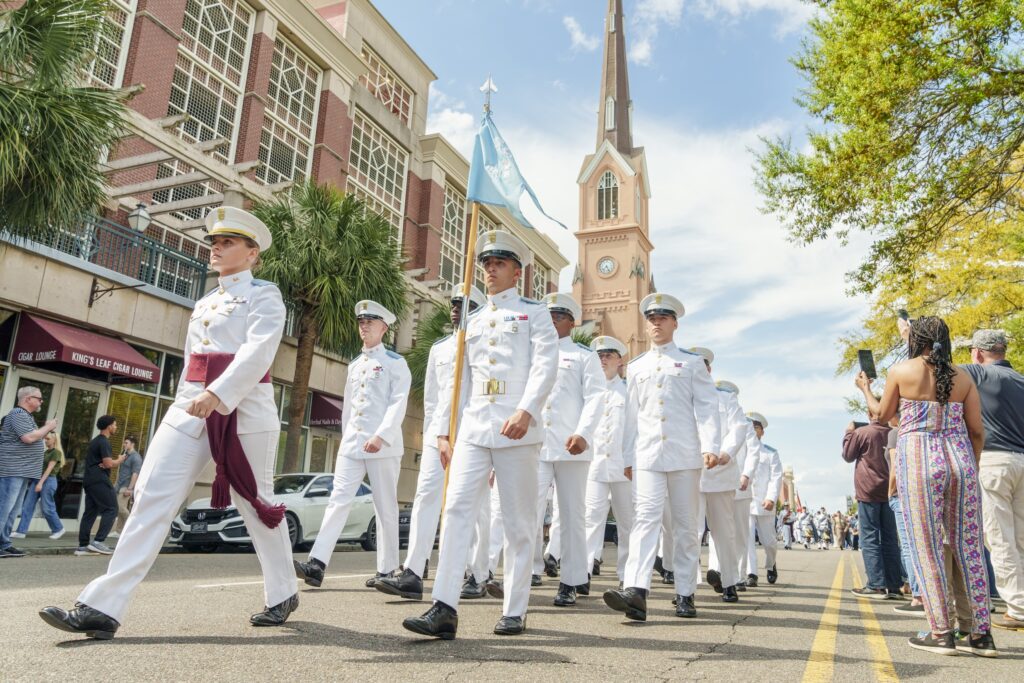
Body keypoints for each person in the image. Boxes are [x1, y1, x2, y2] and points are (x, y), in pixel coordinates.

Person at [40, 206, 298, 639]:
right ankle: (102, 606)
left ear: (253, 254)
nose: (216, 248)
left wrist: (220, 393)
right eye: (214, 242)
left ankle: (283, 591)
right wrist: (192, 400)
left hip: (244, 412)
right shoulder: (205, 302)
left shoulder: (264, 295)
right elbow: (192, 363)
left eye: (228, 242)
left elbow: (260, 352)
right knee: (151, 498)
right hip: (189, 408)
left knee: (256, 506)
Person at [402, 229, 558, 639]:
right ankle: (444, 606)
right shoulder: (471, 321)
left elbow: (545, 366)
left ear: (516, 272)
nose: (490, 269)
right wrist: (442, 432)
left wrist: (527, 411)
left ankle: (514, 609)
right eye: (486, 263)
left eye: (499, 263)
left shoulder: (534, 314)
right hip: (472, 428)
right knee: (454, 513)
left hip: (516, 430)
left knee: (519, 523)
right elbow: (459, 384)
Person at [858, 315, 996, 656]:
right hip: (961, 461)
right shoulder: (963, 377)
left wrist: (865, 389)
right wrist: (971, 463)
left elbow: (880, 415)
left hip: (919, 461)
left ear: (915, 339)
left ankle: (940, 632)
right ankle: (980, 634)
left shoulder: (902, 372)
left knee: (927, 546)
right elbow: (977, 431)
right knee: (968, 547)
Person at [602, 293, 721, 621]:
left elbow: (708, 407)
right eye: (652, 318)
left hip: (684, 456)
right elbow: (631, 416)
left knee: (684, 526)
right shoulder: (638, 367)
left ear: (674, 323)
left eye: (663, 318)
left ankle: (685, 592)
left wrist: (711, 445)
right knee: (645, 520)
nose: (656, 323)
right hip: (648, 455)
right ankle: (637, 591)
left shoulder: (691, 363)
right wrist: (628, 455)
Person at [375, 284, 485, 601]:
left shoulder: (482, 347)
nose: (454, 308)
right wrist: (435, 435)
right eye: (453, 302)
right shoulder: (440, 349)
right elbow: (433, 399)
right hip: (439, 438)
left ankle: (478, 574)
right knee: (425, 499)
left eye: (463, 303)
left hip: (472, 437)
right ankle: (412, 572)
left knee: (473, 510)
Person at [296, 300, 411, 590]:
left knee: (384, 506)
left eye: (370, 322)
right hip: (353, 445)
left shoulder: (396, 364)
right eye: (361, 322)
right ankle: (317, 564)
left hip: (382, 445)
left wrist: (381, 435)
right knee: (338, 501)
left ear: (384, 328)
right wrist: (348, 437)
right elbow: (349, 407)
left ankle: (386, 570)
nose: (364, 327)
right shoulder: (356, 364)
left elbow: (398, 403)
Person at [531, 293, 603, 607]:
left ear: (571, 323)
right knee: (526, 512)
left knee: (573, 515)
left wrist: (584, 433)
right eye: (547, 316)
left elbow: (596, 397)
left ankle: (571, 580)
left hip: (571, 445)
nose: (551, 322)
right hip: (534, 444)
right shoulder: (532, 353)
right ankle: (526, 572)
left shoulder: (584, 356)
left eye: (558, 317)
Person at [961, 329, 1024, 631]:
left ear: (978, 353)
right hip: (1022, 460)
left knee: (999, 537)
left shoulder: (979, 374)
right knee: (1021, 537)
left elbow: (937, 369)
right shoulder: (1021, 380)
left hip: (995, 461)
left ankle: (1018, 608)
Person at [583, 336, 633, 585]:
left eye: (608, 355)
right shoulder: (588, 391)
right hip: (595, 465)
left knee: (627, 523)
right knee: (591, 518)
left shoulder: (629, 391)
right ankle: (584, 573)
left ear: (619, 361)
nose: (603, 359)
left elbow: (635, 430)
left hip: (624, 467)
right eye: (600, 356)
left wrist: (633, 461)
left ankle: (627, 575)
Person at [843, 415, 902, 599]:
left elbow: (847, 455)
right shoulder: (896, 432)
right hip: (890, 490)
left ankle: (876, 585)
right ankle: (894, 586)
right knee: (890, 539)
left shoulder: (862, 432)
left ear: (870, 414)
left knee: (869, 537)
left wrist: (848, 433)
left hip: (868, 490)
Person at [702, 379, 749, 603]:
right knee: (688, 533)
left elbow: (739, 426)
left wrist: (726, 452)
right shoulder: (681, 394)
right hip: (690, 473)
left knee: (724, 532)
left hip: (720, 472)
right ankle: (686, 590)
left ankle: (729, 582)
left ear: (709, 370)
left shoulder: (725, 397)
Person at [1, 387, 57, 557]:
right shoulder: (18, 414)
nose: (41, 401)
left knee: (12, 510)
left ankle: (4, 543)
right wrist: (48, 427)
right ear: (27, 399)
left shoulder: (26, 416)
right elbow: (29, 438)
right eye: (39, 398)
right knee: (4, 508)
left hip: (22, 470)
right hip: (13, 469)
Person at [744, 413, 782, 586]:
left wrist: (771, 498)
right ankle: (751, 573)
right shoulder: (740, 452)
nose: (752, 431)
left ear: (762, 432)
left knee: (769, 541)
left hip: (764, 502)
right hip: (745, 501)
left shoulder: (770, 453)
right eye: (749, 427)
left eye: (755, 428)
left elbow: (776, 478)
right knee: (747, 538)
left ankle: (771, 564)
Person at [12, 432, 65, 540]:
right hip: (38, 480)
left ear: (54, 440)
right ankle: (21, 531)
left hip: (48, 481)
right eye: (45, 438)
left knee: (47, 508)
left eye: (48, 439)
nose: (45, 440)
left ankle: (58, 529)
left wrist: (40, 483)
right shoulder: (46, 452)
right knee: (27, 506)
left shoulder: (56, 453)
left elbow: (49, 470)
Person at [111, 436, 143, 537]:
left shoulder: (136, 457)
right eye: (124, 443)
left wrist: (130, 488)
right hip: (119, 485)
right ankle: (119, 531)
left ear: (132, 444)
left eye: (126, 443)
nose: (124, 444)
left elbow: (135, 473)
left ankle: (134, 526)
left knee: (121, 508)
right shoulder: (125, 455)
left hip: (126, 486)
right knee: (120, 508)